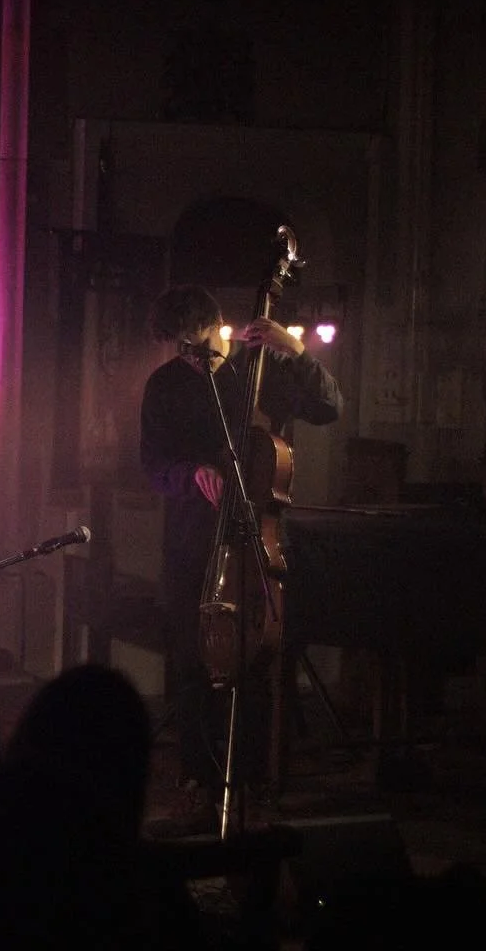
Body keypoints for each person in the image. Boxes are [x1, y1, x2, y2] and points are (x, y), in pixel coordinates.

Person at [139, 284, 341, 834]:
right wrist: (189, 473)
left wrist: (295, 351)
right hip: (190, 543)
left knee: (255, 663)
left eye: (195, 343)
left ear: (216, 325)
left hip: (255, 540)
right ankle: (197, 782)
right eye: (178, 347)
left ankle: (252, 782)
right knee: (191, 661)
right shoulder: (164, 385)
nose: (188, 355)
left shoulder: (261, 374)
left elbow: (330, 406)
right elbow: (152, 464)